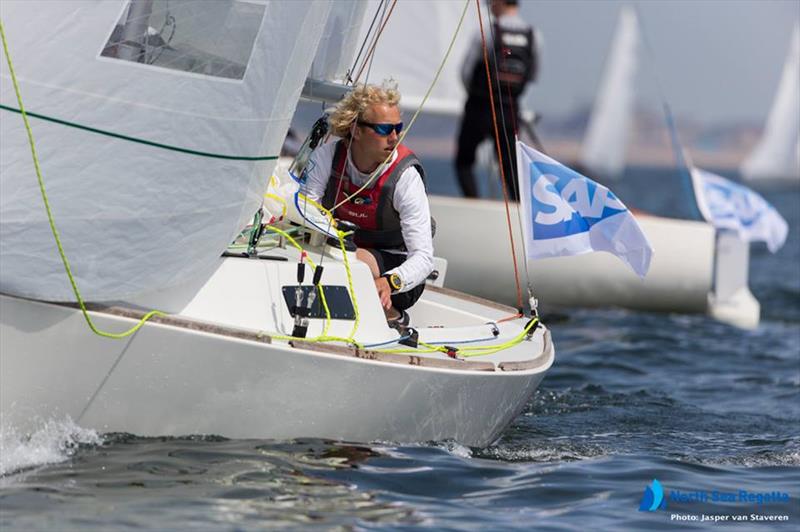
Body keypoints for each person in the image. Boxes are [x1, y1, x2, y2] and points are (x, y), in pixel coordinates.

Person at [303, 83, 434, 323]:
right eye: (385, 129)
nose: (394, 137)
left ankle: (394, 318)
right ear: (356, 130)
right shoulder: (327, 157)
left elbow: (424, 257)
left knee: (353, 258)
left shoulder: (405, 176)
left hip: (397, 273)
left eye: (398, 128)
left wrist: (390, 282)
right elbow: (305, 213)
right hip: (338, 253)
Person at [455, 0, 538, 201]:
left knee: (464, 161)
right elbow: (533, 75)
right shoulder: (533, 36)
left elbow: (465, 72)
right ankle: (520, 209)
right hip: (510, 110)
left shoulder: (486, 32)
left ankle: (473, 204)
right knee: (509, 166)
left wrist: (477, 94)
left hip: (480, 107)